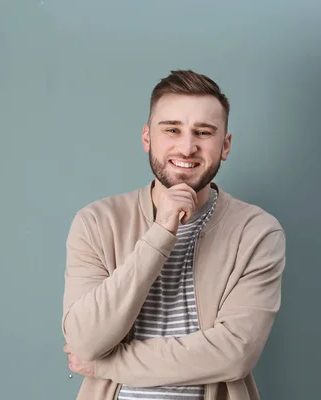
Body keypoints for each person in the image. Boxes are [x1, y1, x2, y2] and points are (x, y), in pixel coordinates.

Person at [62, 70, 286, 400]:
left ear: (224, 145)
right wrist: (161, 233)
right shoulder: (96, 222)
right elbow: (86, 340)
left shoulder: (257, 232)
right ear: (147, 138)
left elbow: (234, 354)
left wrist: (104, 366)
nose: (187, 146)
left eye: (204, 132)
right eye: (172, 130)